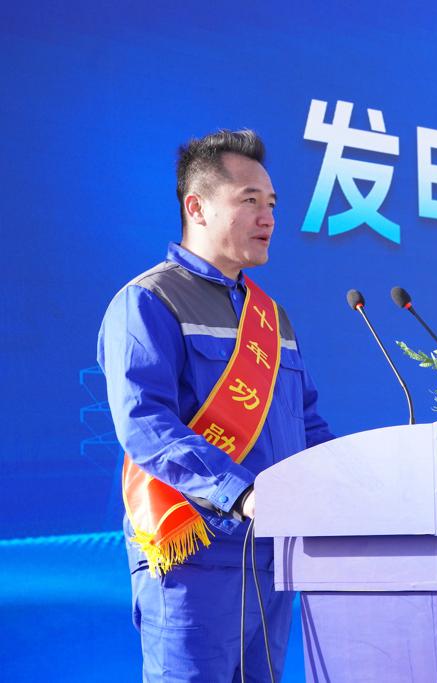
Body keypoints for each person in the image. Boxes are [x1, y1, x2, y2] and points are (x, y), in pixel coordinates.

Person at [98, 129, 334, 682]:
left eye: (271, 203)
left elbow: (308, 424)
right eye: (249, 200)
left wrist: (352, 486)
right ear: (196, 207)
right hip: (195, 559)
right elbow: (145, 422)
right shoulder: (149, 301)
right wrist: (241, 492)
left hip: (272, 555)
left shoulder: (271, 319)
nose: (267, 217)